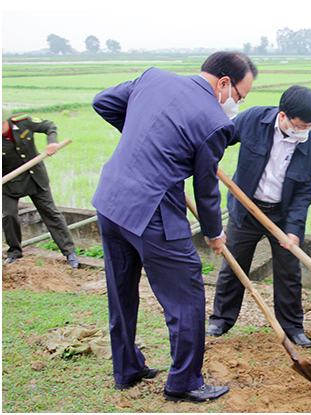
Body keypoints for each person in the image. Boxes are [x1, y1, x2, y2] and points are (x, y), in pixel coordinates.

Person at [91, 51, 257, 403]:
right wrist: (214, 233)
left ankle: (126, 369)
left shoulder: (154, 77)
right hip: (151, 211)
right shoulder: (216, 122)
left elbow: (102, 102)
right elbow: (206, 188)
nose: (237, 103)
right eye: (240, 96)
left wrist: (146, 139)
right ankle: (184, 382)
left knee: (121, 291)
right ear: (224, 82)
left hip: (110, 201)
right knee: (187, 297)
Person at [207, 85, 311, 349]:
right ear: (283, 116)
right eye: (300, 125)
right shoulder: (253, 120)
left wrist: (294, 230)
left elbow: (305, 194)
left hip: (282, 217)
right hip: (246, 209)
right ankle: (221, 319)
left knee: (289, 272)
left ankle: (293, 327)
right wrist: (206, 155)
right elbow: (221, 136)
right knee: (233, 265)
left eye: (310, 126)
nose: (304, 130)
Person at [2, 107, 79, 268]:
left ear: (6, 122)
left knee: (50, 213)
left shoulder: (23, 122)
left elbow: (49, 126)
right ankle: (14, 252)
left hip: (34, 177)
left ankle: (69, 252)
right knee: (9, 215)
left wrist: (52, 142)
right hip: (8, 182)